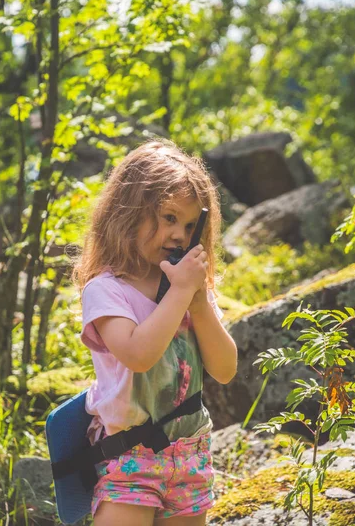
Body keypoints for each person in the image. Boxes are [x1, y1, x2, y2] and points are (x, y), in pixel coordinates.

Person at [72, 138, 238, 526]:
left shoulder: (189, 289)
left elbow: (226, 369)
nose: (180, 234)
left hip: (192, 454)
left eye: (190, 225)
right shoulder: (108, 289)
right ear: (128, 213)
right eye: (168, 218)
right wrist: (181, 293)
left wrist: (196, 300)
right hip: (131, 455)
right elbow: (137, 354)